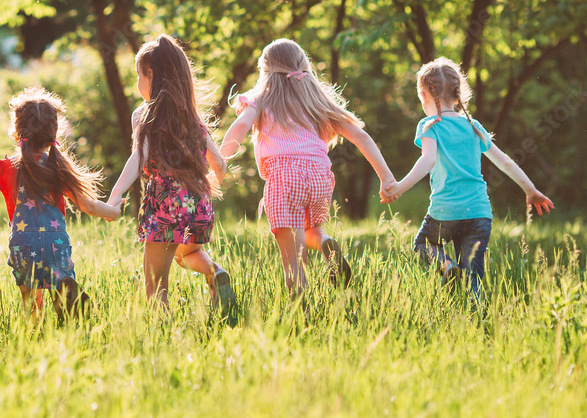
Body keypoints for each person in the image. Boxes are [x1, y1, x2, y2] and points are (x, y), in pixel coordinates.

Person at [220, 38, 395, 295]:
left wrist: (219, 160)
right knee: (310, 230)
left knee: (294, 263)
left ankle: (299, 315)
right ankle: (325, 242)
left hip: (284, 178)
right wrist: (386, 177)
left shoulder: (260, 98)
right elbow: (361, 136)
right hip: (320, 179)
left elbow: (240, 126)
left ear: (265, 71)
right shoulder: (318, 100)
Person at [380, 57, 553, 300]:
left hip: (444, 212)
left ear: (424, 94)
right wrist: (530, 190)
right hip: (479, 213)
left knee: (423, 246)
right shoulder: (475, 127)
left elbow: (427, 160)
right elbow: (505, 161)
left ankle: (447, 266)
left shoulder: (429, 125)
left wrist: (399, 187)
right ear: (458, 93)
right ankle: (479, 321)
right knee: (473, 276)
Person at [0, 87, 118, 321]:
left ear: (16, 132)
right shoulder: (59, 167)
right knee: (58, 276)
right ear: (53, 132)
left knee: (31, 301)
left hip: (23, 245)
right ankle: (63, 294)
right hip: (56, 242)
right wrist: (113, 212)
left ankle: (35, 328)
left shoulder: (4, 167)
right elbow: (88, 206)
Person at [106, 35, 232, 313]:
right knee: (188, 254)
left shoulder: (144, 115)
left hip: (163, 205)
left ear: (150, 74)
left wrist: (115, 196)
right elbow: (219, 164)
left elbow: (138, 157)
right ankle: (213, 270)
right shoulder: (192, 117)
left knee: (155, 284)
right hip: (198, 204)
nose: (138, 83)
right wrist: (207, 188)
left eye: (138, 75)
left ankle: (161, 335)